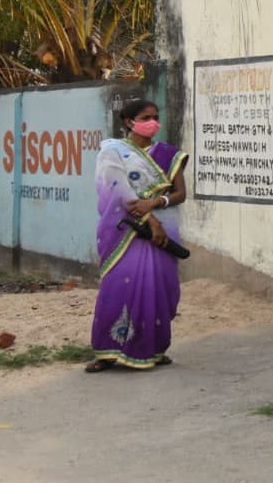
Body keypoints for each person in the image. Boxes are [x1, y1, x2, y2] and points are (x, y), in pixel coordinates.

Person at [85, 99, 188, 372]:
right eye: (146, 118)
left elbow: (180, 193)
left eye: (156, 117)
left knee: (160, 289)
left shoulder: (169, 154)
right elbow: (117, 191)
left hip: (164, 232)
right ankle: (107, 352)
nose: (153, 122)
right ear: (129, 122)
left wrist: (155, 203)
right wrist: (149, 220)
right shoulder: (112, 152)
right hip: (126, 231)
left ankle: (154, 348)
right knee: (117, 287)